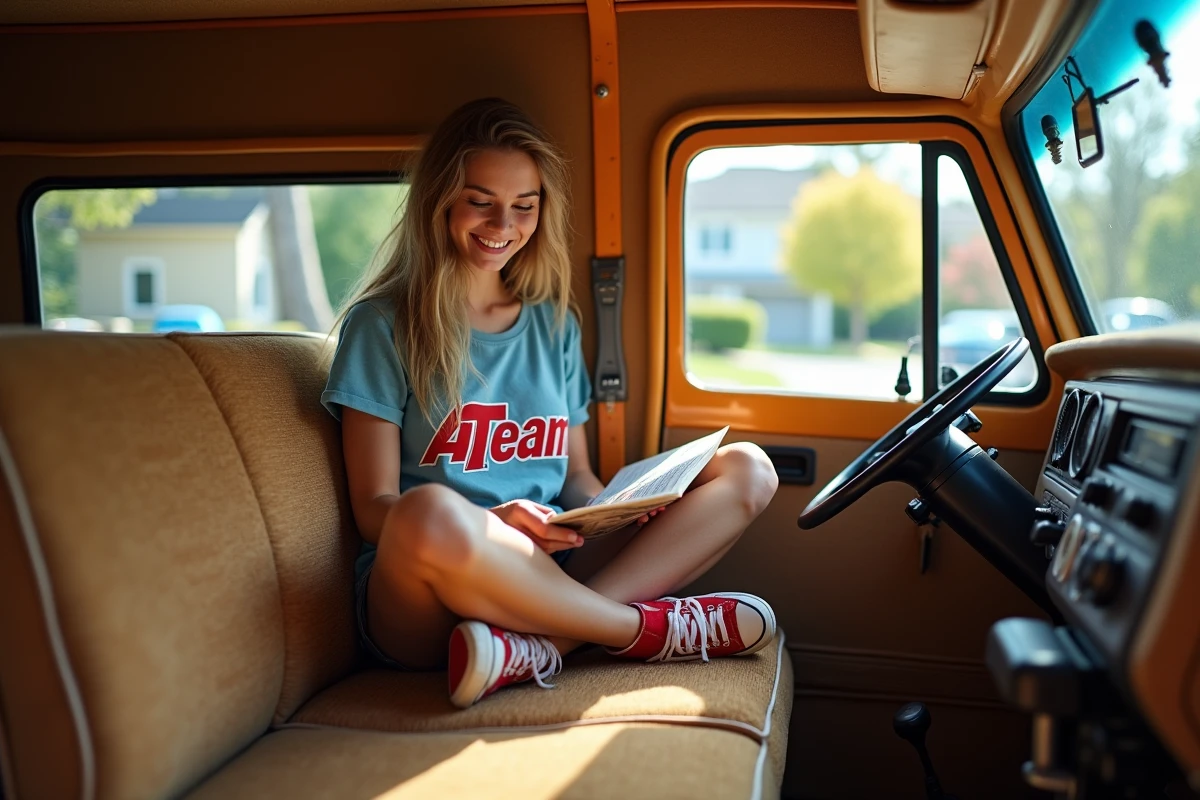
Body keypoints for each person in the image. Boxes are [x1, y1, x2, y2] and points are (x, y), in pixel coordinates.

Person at [321, 98, 780, 709]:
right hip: (426, 592)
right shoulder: (381, 326)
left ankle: (545, 646)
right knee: (426, 510)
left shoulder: (555, 325)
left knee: (747, 466)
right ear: (440, 200)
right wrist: (493, 522)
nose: (501, 223)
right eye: (480, 200)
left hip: (547, 567)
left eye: (523, 206)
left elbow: (576, 477)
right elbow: (375, 507)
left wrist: (615, 509)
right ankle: (640, 631)